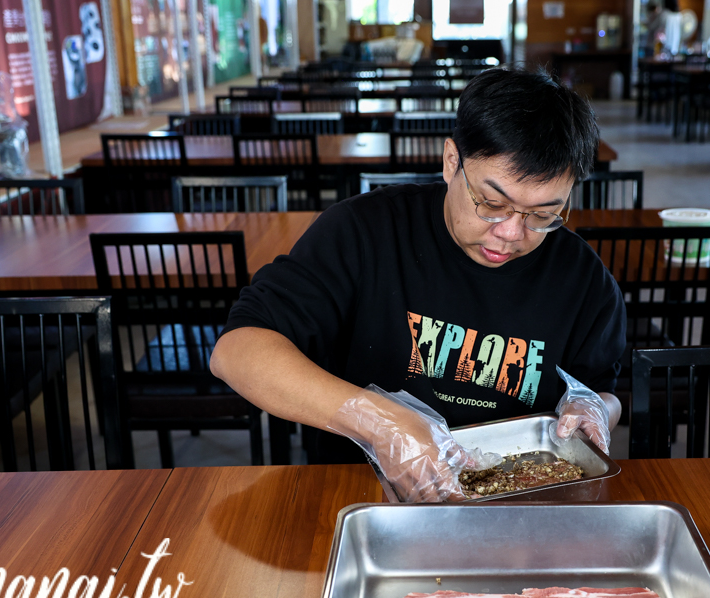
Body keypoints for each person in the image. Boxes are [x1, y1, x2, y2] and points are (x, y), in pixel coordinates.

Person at [210, 68, 626, 501]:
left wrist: (593, 409)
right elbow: (237, 351)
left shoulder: (581, 278)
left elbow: (603, 389)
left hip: (518, 507)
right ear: (452, 162)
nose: (511, 233)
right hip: (361, 497)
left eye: (543, 214)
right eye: (492, 203)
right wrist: (377, 421)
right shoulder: (365, 232)